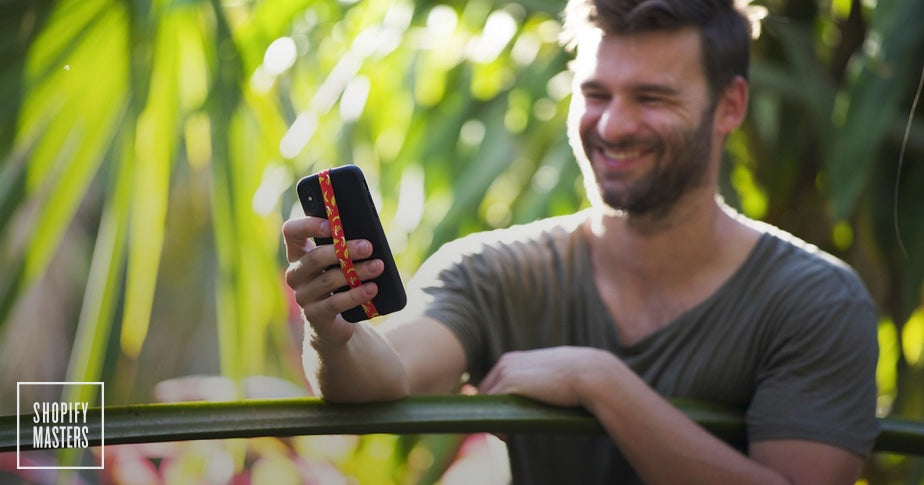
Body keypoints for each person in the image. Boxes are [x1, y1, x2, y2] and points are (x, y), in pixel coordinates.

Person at [283, 0, 879, 483]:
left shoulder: (816, 299)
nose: (614, 125)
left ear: (730, 107)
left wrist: (600, 382)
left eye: (652, 98)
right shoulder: (493, 269)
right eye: (596, 95)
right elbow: (383, 382)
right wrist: (334, 333)